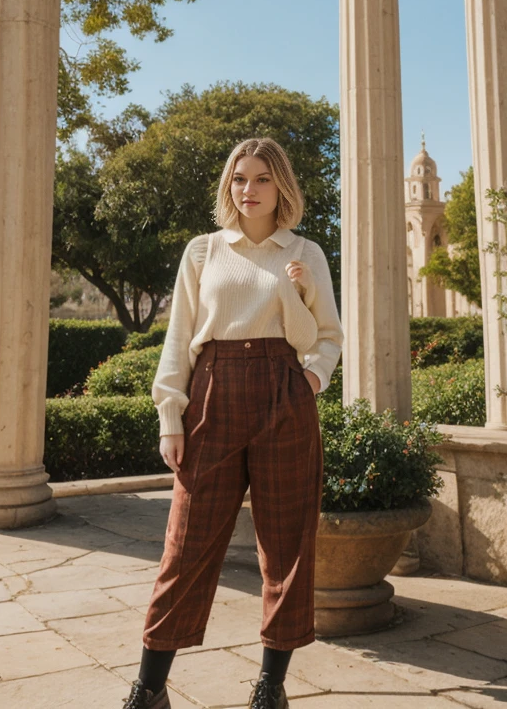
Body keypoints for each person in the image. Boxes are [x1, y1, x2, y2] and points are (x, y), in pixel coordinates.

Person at [121, 136, 344, 709]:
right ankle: (149, 689)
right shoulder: (202, 251)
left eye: (262, 178)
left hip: (284, 392)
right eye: (239, 178)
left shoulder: (305, 252)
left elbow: (322, 336)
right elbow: (179, 339)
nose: (249, 189)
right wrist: (170, 415)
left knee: (287, 544)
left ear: (282, 187)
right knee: (186, 542)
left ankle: (271, 686)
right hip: (213, 391)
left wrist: (310, 375)